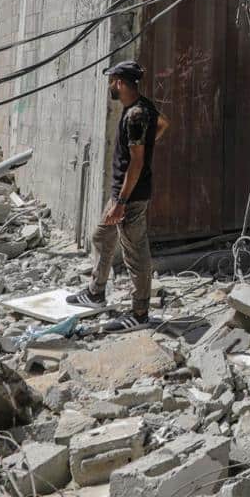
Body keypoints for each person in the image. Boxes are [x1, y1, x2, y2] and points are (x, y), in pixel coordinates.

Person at [70, 61, 168, 328]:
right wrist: (148, 145)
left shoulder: (136, 115)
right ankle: (95, 293)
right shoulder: (142, 107)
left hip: (131, 197)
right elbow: (163, 124)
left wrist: (122, 202)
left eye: (112, 81)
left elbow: (136, 163)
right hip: (122, 193)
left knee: (135, 254)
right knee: (102, 235)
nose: (110, 86)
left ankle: (139, 314)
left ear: (121, 83)